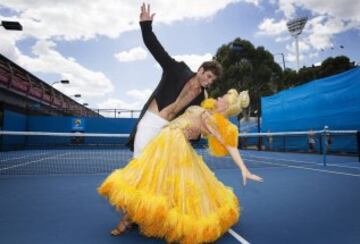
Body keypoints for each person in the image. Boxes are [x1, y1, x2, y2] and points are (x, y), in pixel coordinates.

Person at [98, 89, 263, 244]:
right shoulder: (204, 107)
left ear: (225, 107)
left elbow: (229, 145)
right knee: (147, 183)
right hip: (162, 142)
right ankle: (129, 220)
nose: (218, 98)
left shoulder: (211, 122)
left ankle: (127, 222)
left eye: (222, 100)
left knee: (159, 186)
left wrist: (244, 168)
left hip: (176, 148)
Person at [127, 3, 223, 157]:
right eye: (209, 76)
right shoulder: (176, 69)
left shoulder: (202, 96)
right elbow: (156, 48)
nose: (210, 81)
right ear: (200, 70)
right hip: (151, 123)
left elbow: (197, 122)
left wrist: (196, 134)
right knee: (140, 171)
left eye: (213, 80)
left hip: (168, 133)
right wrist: (145, 25)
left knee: (161, 176)